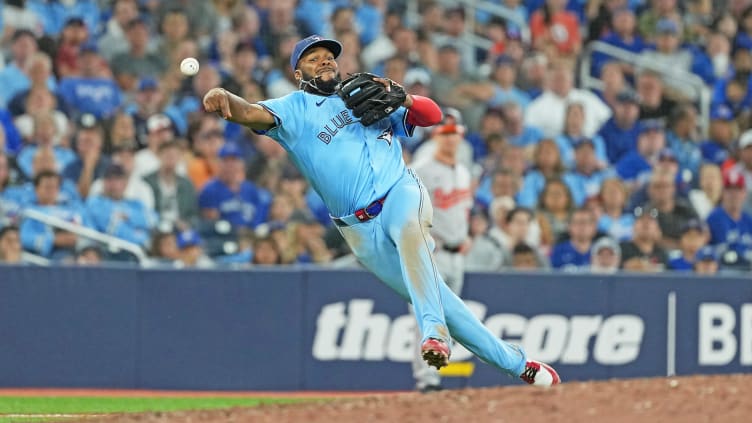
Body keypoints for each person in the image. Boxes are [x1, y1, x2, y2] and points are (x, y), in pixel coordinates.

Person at [202, 34, 560, 386]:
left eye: (329, 56)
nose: (325, 60)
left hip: (401, 191)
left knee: (410, 234)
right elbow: (248, 112)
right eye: (314, 58)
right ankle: (519, 366)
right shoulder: (291, 109)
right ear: (298, 73)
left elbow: (431, 116)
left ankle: (433, 334)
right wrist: (224, 96)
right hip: (359, 231)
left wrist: (403, 95)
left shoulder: (364, 94)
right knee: (444, 301)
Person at [409, 115, 473, 393]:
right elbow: (406, 208)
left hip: (457, 254)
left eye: (454, 133)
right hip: (430, 252)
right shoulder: (421, 169)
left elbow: (462, 211)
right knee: (427, 317)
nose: (450, 139)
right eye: (445, 133)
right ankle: (427, 381)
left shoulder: (463, 171)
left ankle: (432, 376)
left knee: (452, 319)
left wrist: (466, 235)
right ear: (436, 136)